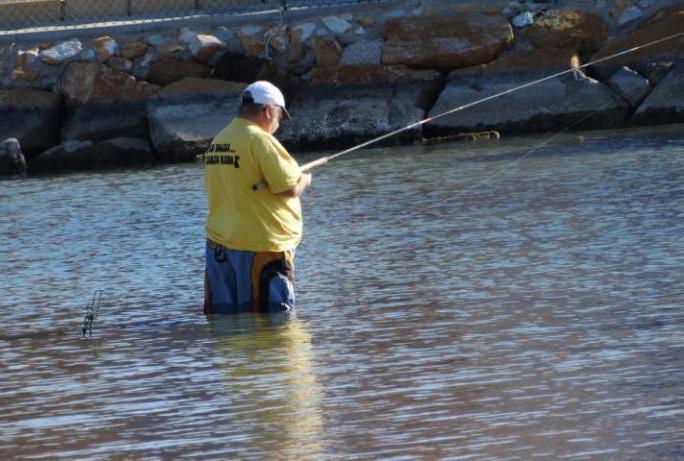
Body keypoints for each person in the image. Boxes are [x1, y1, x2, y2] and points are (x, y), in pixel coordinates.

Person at [204, 80, 312, 315]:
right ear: (267, 110)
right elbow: (288, 187)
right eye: (280, 115)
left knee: (227, 320)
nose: (279, 121)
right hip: (261, 247)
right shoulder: (260, 140)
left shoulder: (220, 139)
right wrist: (305, 179)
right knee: (276, 324)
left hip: (221, 245)